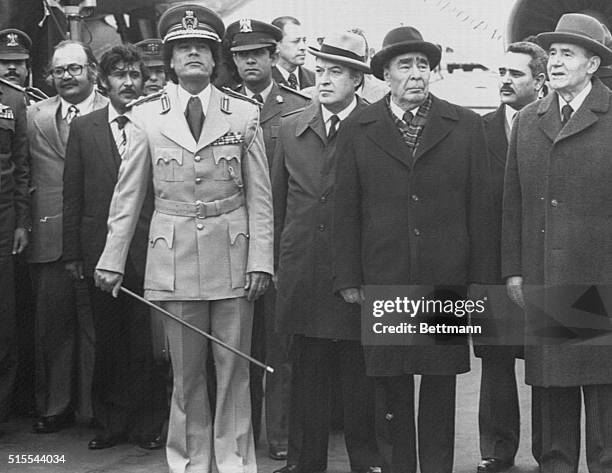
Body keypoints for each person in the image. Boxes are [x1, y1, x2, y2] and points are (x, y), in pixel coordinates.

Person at [94, 5, 273, 473]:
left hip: (234, 256)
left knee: (234, 371)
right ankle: (189, 463)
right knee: (185, 374)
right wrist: (112, 259)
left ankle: (234, 462)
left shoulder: (244, 116)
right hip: (172, 260)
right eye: (183, 48)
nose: (193, 54)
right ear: (170, 61)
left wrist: (262, 260)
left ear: (216, 60)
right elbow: (127, 196)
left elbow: (261, 199)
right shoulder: (147, 118)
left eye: (203, 48)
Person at [332, 26, 495, 473]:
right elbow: (344, 209)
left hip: (447, 276)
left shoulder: (464, 124)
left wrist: (479, 281)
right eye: (405, 65)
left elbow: (481, 206)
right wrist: (348, 278)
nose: (416, 74)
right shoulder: (357, 128)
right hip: (384, 274)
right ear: (385, 74)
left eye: (424, 65)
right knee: (391, 385)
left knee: (440, 383)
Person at [502, 13, 612, 473]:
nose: (556, 61)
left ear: (592, 64)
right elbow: (512, 203)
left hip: (601, 280)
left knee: (604, 400)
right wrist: (514, 270)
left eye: (568, 53)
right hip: (548, 278)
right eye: (553, 54)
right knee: (554, 404)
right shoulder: (530, 120)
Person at [272, 30, 381, 473]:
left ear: (357, 80)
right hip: (303, 270)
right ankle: (305, 462)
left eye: (337, 71)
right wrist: (279, 264)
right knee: (307, 373)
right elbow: (278, 205)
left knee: (360, 375)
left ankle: (367, 461)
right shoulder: (290, 128)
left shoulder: (376, 127)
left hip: (356, 272)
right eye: (321, 70)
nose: (325, 79)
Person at [62, 44, 167, 450]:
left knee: (145, 342)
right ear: (103, 81)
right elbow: (73, 195)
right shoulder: (85, 128)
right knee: (108, 341)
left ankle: (147, 425)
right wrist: (74, 253)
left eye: (135, 75)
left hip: (148, 250)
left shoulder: (157, 125)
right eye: (119, 75)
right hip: (98, 252)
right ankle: (110, 423)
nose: (128, 82)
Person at [224, 17, 310, 460]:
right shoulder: (221, 106)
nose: (249, 62)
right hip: (231, 242)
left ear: (274, 57)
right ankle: (240, 436)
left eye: (257, 53)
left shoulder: (297, 106)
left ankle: (279, 434)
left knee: (281, 345)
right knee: (235, 347)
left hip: (281, 245)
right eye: (241, 55)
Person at [473, 40, 547, 473]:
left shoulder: (552, 127)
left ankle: (549, 450)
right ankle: (497, 450)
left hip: (541, 264)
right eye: (501, 72)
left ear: (539, 81)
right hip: (490, 266)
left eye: (516, 74)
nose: (505, 80)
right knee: (496, 362)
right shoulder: (477, 130)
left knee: (546, 359)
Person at [27, 39, 107, 434]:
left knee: (97, 325)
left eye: (75, 68)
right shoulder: (32, 115)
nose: (67, 77)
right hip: (50, 236)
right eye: (59, 71)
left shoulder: (113, 111)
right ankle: (55, 407)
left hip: (98, 235)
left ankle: (95, 409)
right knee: (53, 329)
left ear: (92, 70)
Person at [0, 67, 29, 434]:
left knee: (3, 324)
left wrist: (22, 221)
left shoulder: (12, 99)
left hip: (2, 222)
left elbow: (21, 167)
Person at [0, 28, 47, 102]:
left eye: (18, 62)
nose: (12, 67)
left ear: (27, 70)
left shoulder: (40, 104)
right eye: (5, 62)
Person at [271, 16, 314, 90]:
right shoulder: (264, 81)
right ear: (276, 44)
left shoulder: (314, 80)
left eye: (304, 41)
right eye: (295, 41)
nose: (303, 47)